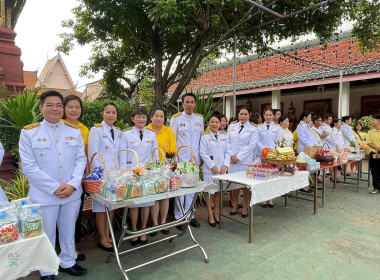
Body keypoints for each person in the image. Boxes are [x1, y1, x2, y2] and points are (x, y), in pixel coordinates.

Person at [19, 91, 87, 280]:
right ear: (41, 108)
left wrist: (73, 185)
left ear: (62, 109)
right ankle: (47, 269)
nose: (55, 109)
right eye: (50, 105)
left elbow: (81, 159)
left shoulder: (73, 132)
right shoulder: (29, 133)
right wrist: (54, 187)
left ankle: (68, 261)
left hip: (71, 194)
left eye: (58, 105)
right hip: (45, 195)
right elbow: (29, 167)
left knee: (68, 230)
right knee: (47, 233)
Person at [120, 108, 158, 245]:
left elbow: (155, 154)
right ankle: (134, 229)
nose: (141, 119)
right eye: (138, 116)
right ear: (132, 119)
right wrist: (124, 171)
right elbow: (123, 154)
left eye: (144, 116)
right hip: (131, 172)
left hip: (147, 172)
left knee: (147, 202)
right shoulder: (126, 134)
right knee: (134, 203)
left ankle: (143, 229)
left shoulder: (151, 134)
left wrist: (155, 169)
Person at [88, 103, 121, 252]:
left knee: (111, 205)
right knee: (101, 207)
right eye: (108, 112)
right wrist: (98, 175)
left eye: (113, 112)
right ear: (102, 114)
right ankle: (102, 238)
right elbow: (93, 154)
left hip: (115, 174)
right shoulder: (96, 130)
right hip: (101, 174)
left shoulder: (118, 131)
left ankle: (108, 235)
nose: (111, 115)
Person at [170, 92, 204, 229]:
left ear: (195, 104)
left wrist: (200, 158)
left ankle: (190, 215)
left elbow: (201, 139)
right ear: (182, 104)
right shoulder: (176, 119)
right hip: (181, 159)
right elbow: (172, 141)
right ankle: (179, 217)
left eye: (192, 102)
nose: (189, 104)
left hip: (194, 159)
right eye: (187, 102)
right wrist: (174, 159)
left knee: (192, 188)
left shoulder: (199, 119)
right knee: (181, 188)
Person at [62, 94, 89, 261]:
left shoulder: (84, 129)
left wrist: (86, 175)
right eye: (70, 106)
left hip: (77, 179)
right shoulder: (58, 126)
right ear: (64, 108)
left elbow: (85, 155)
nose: (74, 110)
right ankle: (59, 247)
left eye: (77, 107)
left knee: (76, 214)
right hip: (60, 178)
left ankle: (74, 246)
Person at [146, 108, 177, 236]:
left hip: (164, 168)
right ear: (151, 117)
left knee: (164, 196)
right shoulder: (146, 130)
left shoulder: (168, 131)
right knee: (154, 197)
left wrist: (169, 166)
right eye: (156, 116)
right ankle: (155, 224)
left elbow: (172, 150)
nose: (159, 118)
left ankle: (163, 222)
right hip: (149, 169)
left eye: (162, 116)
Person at [200, 114, 231, 226]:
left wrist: (225, 165)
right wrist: (212, 166)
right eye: (212, 122)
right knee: (209, 192)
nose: (214, 124)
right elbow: (203, 153)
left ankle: (216, 212)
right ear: (208, 124)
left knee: (218, 191)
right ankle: (210, 214)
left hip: (221, 169)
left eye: (216, 122)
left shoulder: (224, 136)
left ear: (220, 124)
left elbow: (228, 152)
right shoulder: (204, 137)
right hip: (210, 170)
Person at [228, 106, 258, 218]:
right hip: (232, 160)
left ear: (249, 115)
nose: (243, 116)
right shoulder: (232, 126)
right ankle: (235, 204)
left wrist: (238, 157)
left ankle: (245, 206)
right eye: (241, 114)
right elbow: (227, 141)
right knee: (234, 184)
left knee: (245, 186)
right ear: (238, 115)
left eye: (245, 114)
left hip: (244, 161)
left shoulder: (254, 129)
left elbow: (251, 145)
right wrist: (231, 155)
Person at [256, 108, 282, 208]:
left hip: (272, 156)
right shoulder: (258, 128)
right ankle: (262, 198)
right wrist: (264, 150)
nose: (268, 117)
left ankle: (270, 198)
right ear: (263, 116)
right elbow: (257, 141)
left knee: (271, 176)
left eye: (270, 115)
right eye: (266, 115)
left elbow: (278, 141)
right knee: (262, 176)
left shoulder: (277, 128)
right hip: (261, 155)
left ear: (273, 116)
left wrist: (271, 151)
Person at [296, 111, 316, 193]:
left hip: (309, 149)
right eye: (309, 117)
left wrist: (315, 145)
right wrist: (311, 146)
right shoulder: (300, 126)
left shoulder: (307, 126)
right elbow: (303, 139)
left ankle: (306, 184)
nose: (310, 119)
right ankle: (302, 186)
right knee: (303, 169)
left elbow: (311, 138)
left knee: (307, 168)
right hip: (304, 150)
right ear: (304, 118)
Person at [367, 114, 380, 194]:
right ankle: (377, 188)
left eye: (373, 120)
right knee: (374, 171)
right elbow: (368, 142)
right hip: (374, 154)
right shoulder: (370, 132)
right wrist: (378, 148)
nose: (372, 122)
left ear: (379, 121)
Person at [329, 118, 345, 183]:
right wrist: (339, 148)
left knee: (336, 164)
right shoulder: (332, 131)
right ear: (335, 123)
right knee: (333, 164)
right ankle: (332, 177)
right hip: (334, 150)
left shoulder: (340, 131)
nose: (341, 124)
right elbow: (333, 141)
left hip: (339, 150)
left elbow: (342, 141)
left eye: (341, 122)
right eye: (339, 122)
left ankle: (335, 177)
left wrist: (343, 148)